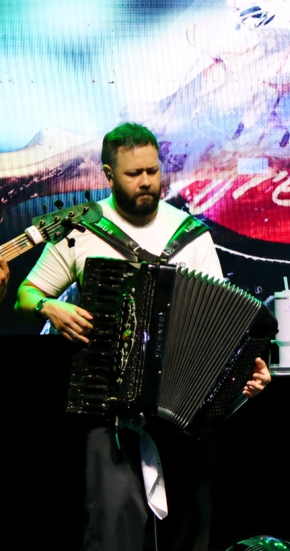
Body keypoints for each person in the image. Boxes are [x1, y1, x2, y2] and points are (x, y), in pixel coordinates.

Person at [13, 122, 270, 551]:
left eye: (153, 171)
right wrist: (48, 307)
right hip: (106, 410)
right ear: (108, 175)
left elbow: (219, 323)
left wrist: (246, 374)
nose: (147, 181)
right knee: (113, 530)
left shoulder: (190, 234)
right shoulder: (82, 229)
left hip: (182, 417)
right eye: (134, 174)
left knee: (189, 536)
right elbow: (26, 294)